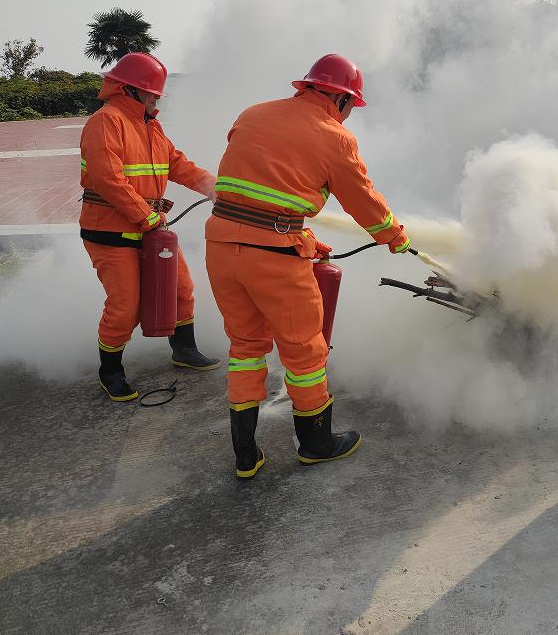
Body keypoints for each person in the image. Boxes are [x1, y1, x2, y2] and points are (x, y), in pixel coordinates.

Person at [205, 53, 410, 479]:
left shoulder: (253, 113)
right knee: (305, 352)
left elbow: (262, 189)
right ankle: (316, 444)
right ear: (340, 99)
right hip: (273, 259)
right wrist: (393, 235)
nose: (349, 115)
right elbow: (362, 199)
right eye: (351, 106)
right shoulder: (334, 138)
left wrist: (304, 238)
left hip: (222, 245)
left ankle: (246, 454)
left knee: (245, 346)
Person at [80, 52, 220, 403]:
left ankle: (183, 351)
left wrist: (216, 187)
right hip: (111, 233)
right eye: (153, 93)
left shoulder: (150, 125)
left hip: (149, 229)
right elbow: (107, 179)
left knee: (182, 289)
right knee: (125, 305)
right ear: (131, 90)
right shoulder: (105, 121)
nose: (157, 99)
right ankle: (110, 370)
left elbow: (178, 165)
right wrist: (145, 216)